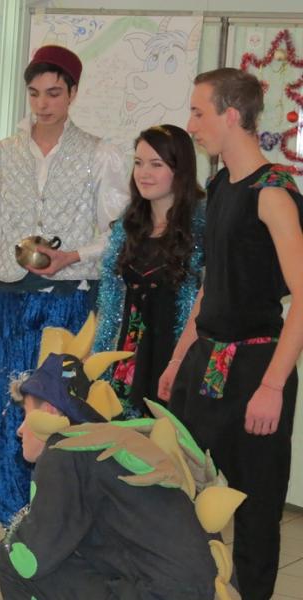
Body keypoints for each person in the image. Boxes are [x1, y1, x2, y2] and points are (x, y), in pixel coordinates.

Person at [0, 44, 130, 565]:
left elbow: (120, 233)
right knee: (7, 417)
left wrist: (74, 254)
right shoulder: (2, 154)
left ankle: (63, 537)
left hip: (71, 305)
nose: (43, 104)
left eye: (53, 93)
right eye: (34, 94)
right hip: (10, 304)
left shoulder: (100, 154)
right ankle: (13, 531)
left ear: (73, 93)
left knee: (63, 420)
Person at [158, 67, 303, 600]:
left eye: (199, 113)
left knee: (256, 507)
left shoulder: (273, 192)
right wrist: (178, 360)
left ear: (232, 116)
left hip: (256, 369)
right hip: (206, 365)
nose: (192, 125)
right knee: (192, 496)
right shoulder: (220, 185)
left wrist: (272, 386)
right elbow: (209, 287)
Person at [0, 321, 244, 600]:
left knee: (8, 561)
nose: (20, 430)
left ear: (50, 411)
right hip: (206, 589)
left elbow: (33, 557)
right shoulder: (118, 440)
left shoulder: (66, 448)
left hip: (161, 593)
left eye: (25, 415)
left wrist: (14, 536)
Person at [93, 124, 205, 418]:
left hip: (176, 358)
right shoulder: (128, 226)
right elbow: (111, 303)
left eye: (156, 164)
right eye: (139, 163)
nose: (144, 173)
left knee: (170, 439)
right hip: (127, 359)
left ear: (180, 169)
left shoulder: (202, 228)